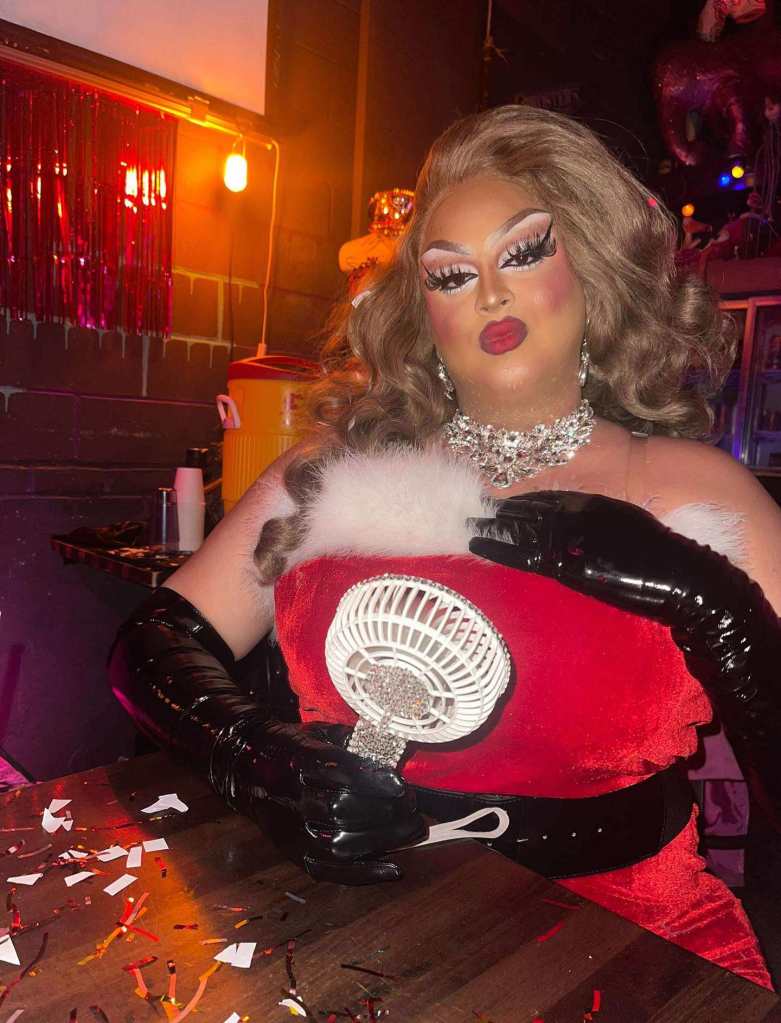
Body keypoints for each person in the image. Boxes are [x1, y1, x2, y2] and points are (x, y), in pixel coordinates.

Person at [110, 105, 781, 989]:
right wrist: (255, 758)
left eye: (522, 253)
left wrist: (715, 604)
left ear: (591, 270)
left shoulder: (694, 491)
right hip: (355, 935)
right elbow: (152, 643)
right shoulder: (339, 473)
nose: (488, 294)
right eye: (452, 273)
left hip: (625, 950)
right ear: (422, 311)